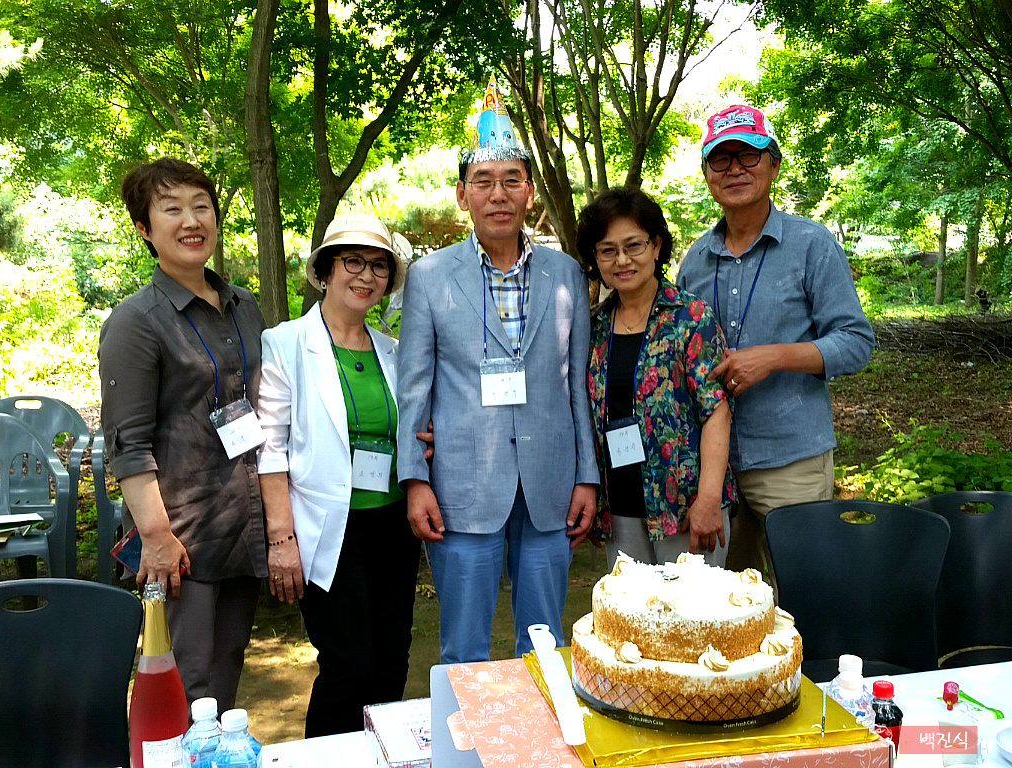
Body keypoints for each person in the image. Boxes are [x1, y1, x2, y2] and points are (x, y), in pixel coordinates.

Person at [396, 77, 599, 664]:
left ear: (529, 191)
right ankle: (466, 727)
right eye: (483, 181)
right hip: (462, 487)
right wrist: (414, 481)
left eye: (512, 180)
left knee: (546, 647)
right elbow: (415, 389)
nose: (498, 194)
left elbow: (577, 388)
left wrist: (586, 477)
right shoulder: (430, 277)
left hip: (549, 484)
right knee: (464, 650)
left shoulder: (565, 274)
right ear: (463, 194)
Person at [675, 104, 874, 581]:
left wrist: (775, 357)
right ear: (707, 174)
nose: (735, 169)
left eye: (749, 155)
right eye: (721, 159)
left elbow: (856, 342)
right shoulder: (696, 260)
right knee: (718, 601)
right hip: (713, 471)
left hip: (790, 460)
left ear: (774, 165)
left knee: (803, 593)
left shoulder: (811, 244)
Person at [99, 157, 267, 713]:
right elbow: (127, 444)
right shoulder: (137, 321)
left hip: (240, 525)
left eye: (201, 206)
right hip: (180, 541)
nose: (191, 220)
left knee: (226, 673)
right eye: (171, 209)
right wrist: (155, 537)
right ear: (145, 229)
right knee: (184, 686)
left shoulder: (244, 306)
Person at [255, 213, 421, 736]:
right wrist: (281, 538)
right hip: (327, 529)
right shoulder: (286, 343)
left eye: (378, 266)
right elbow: (270, 448)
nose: (366, 275)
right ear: (326, 270)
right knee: (349, 666)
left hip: (393, 528)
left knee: (391, 661)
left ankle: (381, 755)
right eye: (353, 261)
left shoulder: (394, 352)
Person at [578, 188, 735, 570]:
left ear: (656, 245)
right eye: (608, 250)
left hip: (686, 508)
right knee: (632, 606)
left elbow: (716, 411)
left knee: (691, 608)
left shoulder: (690, 317)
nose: (622, 260)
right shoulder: (593, 327)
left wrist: (708, 498)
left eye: (633, 245)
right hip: (620, 509)